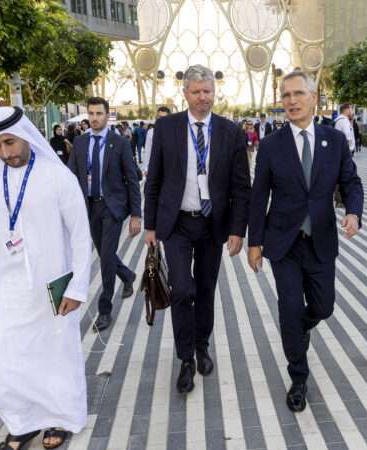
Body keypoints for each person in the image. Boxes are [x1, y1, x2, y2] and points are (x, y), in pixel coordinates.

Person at [0, 106, 92, 450]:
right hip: (3, 287)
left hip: (53, 284)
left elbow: (81, 236)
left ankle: (59, 418)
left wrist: (79, 287)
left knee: (55, 354)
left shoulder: (57, 176)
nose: (6, 153)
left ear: (24, 135)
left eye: (10, 143)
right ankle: (21, 421)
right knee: (1, 356)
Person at [248, 70, 363, 412]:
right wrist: (255, 243)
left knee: (323, 306)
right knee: (289, 309)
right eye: (286, 96)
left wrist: (354, 213)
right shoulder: (271, 146)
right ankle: (298, 376)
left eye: (299, 94)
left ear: (314, 98)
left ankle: (302, 329)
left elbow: (352, 183)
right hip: (283, 243)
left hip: (322, 239)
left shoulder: (334, 141)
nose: (292, 101)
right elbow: (258, 197)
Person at [144, 65, 250, 394]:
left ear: (214, 93)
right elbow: (154, 180)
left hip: (212, 225)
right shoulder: (166, 128)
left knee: (205, 290)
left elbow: (241, 187)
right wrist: (150, 225)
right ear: (185, 94)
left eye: (208, 91)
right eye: (196, 92)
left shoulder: (231, 132)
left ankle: (202, 346)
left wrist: (237, 230)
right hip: (176, 224)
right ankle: (185, 358)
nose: (203, 97)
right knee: (182, 291)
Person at [67, 97, 142, 332]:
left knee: (107, 258)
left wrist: (136, 215)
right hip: (89, 207)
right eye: (91, 113)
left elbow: (132, 178)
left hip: (112, 208)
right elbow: (70, 176)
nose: (94, 118)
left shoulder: (119, 143)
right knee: (105, 254)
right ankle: (127, 275)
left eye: (99, 113)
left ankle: (105, 309)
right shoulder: (79, 142)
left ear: (107, 115)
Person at [143, 106, 171, 175]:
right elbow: (147, 151)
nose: (160, 119)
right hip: (155, 168)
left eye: (163, 117)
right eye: (158, 117)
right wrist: (146, 168)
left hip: (170, 168)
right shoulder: (151, 132)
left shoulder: (174, 132)